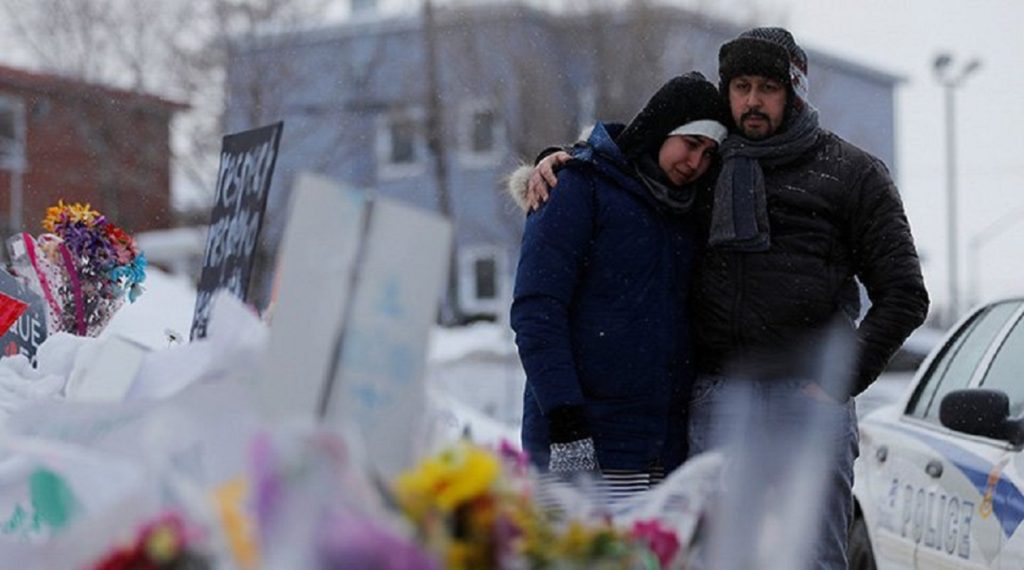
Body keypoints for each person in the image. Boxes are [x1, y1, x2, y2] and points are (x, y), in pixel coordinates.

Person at [514, 28, 929, 569]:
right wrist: (562, 161)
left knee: (814, 556)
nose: (752, 101)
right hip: (716, 399)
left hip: (808, 400)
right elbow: (629, 166)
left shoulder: (851, 174)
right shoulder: (707, 167)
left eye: (768, 87)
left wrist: (840, 379)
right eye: (740, 86)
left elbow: (904, 294)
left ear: (795, 92)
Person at [509, 73, 728, 501]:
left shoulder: (688, 215)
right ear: (662, 128)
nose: (696, 163)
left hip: (656, 454)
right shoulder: (576, 186)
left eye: (709, 154)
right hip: (577, 445)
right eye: (691, 143)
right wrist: (566, 423)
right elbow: (537, 310)